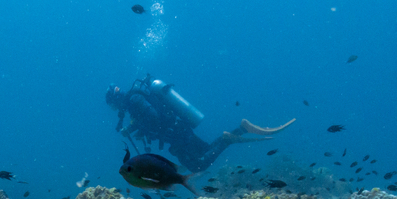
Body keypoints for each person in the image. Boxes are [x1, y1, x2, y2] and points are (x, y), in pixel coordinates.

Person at [105, 75, 295, 174]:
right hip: (180, 126)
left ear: (115, 101)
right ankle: (242, 129)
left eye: (113, 106)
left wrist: (141, 127)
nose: (115, 110)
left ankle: (229, 139)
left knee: (198, 165)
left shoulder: (134, 101)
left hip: (175, 135)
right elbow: (152, 117)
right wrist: (137, 127)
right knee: (207, 149)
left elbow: (153, 118)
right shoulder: (137, 97)